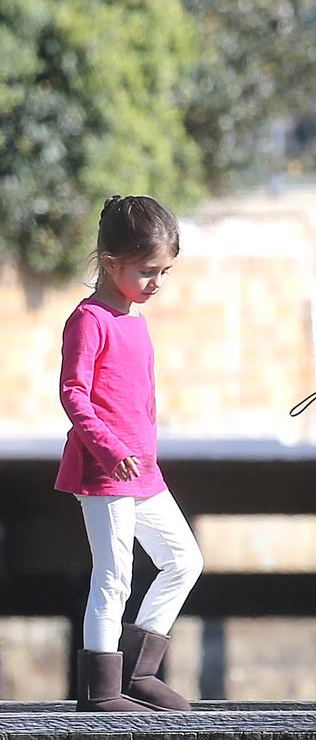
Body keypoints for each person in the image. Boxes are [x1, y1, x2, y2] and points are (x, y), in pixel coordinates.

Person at [55, 195, 203, 712]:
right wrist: (109, 448)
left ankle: (138, 672)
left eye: (165, 271)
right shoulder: (89, 319)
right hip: (103, 472)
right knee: (113, 576)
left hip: (144, 474)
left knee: (184, 560)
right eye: (147, 271)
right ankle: (100, 689)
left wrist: (142, 452)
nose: (157, 282)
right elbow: (74, 393)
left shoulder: (135, 320)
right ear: (109, 260)